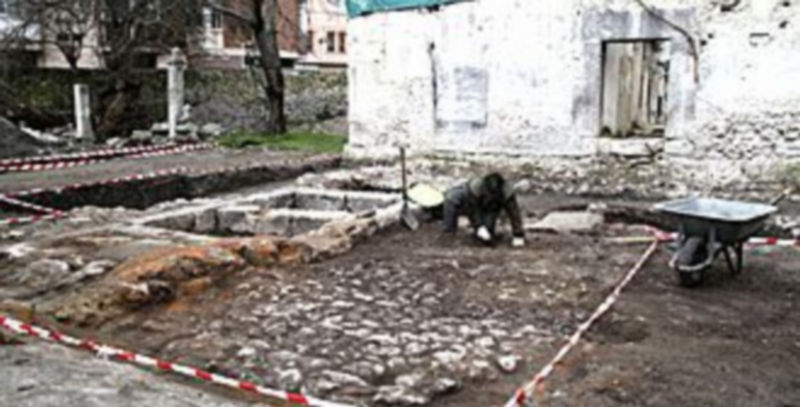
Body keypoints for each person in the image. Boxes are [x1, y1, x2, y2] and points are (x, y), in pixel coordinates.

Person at [442, 172, 525, 247]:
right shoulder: (475, 188)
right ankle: (449, 232)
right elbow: (472, 209)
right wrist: (479, 226)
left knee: (487, 234)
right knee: (451, 198)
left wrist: (518, 234)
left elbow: (514, 213)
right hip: (468, 201)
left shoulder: (507, 193)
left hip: (491, 208)